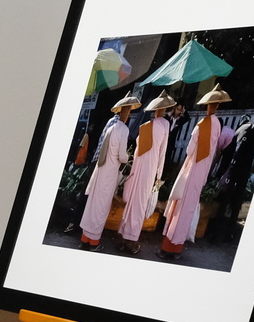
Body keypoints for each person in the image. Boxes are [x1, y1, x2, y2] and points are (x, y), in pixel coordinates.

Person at [159, 87, 236, 258]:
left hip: (192, 167)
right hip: (203, 170)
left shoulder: (202, 124)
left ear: (208, 105)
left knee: (180, 206)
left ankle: (169, 248)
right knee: (189, 207)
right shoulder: (218, 124)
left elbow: (189, 149)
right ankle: (177, 248)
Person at [77, 96, 138, 250]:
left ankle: (85, 240)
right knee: (101, 208)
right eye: (128, 111)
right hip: (110, 172)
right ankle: (94, 243)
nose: (128, 114)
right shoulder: (123, 129)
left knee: (92, 205)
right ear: (126, 112)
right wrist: (129, 158)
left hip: (101, 170)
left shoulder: (111, 127)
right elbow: (122, 156)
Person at [116, 96, 175, 253]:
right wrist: (159, 175)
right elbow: (162, 153)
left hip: (138, 166)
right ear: (164, 109)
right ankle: (131, 241)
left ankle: (123, 237)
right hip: (150, 169)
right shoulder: (165, 125)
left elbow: (137, 151)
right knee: (140, 204)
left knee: (132, 202)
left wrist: (135, 169)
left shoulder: (145, 127)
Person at [212, 119, 254, 242]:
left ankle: (216, 235)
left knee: (225, 201)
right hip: (243, 172)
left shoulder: (239, 131)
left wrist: (222, 172)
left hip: (234, 170)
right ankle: (229, 234)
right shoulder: (252, 130)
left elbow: (232, 153)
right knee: (235, 203)